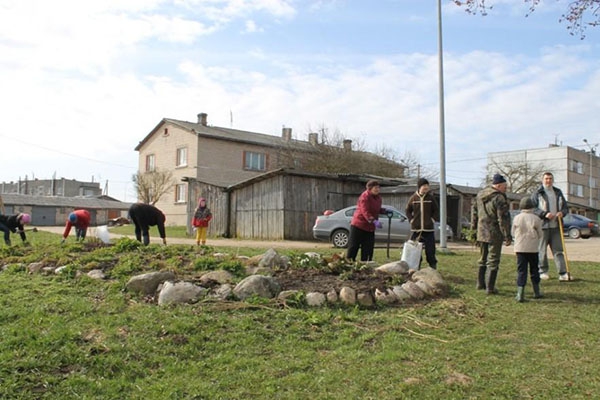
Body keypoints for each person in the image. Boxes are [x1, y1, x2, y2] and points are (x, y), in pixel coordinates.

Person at [471, 173, 512, 294]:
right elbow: (503, 219)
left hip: (481, 230)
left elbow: (474, 214)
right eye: (505, 186)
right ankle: (490, 288)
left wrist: (473, 230)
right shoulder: (499, 198)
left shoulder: (480, 195)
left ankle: (480, 284)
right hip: (494, 232)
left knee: (482, 258)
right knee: (493, 260)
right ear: (499, 185)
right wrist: (507, 235)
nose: (506, 189)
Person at [530, 171, 571, 281]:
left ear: (552, 180)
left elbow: (565, 207)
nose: (548, 181)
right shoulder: (537, 193)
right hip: (543, 226)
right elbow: (533, 208)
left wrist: (562, 213)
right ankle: (543, 271)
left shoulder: (558, 192)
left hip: (556, 226)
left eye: (550, 179)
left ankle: (562, 273)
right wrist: (544, 214)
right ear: (542, 180)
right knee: (542, 250)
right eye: (546, 179)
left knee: (558, 250)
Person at [512, 197, 544, 302]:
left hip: (520, 248)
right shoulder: (536, 218)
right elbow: (540, 234)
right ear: (532, 207)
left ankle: (520, 294)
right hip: (533, 248)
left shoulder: (517, 218)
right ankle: (536, 291)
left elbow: (513, 232)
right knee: (534, 270)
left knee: (521, 271)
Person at [346, 180, 386, 262]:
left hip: (369, 228)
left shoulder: (378, 198)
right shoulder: (364, 197)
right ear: (370, 188)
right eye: (375, 188)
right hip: (358, 226)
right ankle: (349, 263)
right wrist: (373, 221)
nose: (378, 189)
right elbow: (365, 211)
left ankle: (365, 265)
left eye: (378, 188)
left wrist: (383, 211)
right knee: (353, 246)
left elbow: (375, 209)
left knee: (368, 248)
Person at [405, 178, 439, 269]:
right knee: (416, 250)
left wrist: (432, 220)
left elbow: (436, 210)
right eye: (424, 186)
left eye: (427, 186)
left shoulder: (431, 198)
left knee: (430, 250)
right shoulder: (413, 198)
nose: (426, 188)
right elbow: (407, 210)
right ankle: (416, 267)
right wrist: (411, 220)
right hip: (416, 229)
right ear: (419, 187)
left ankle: (433, 267)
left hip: (428, 229)